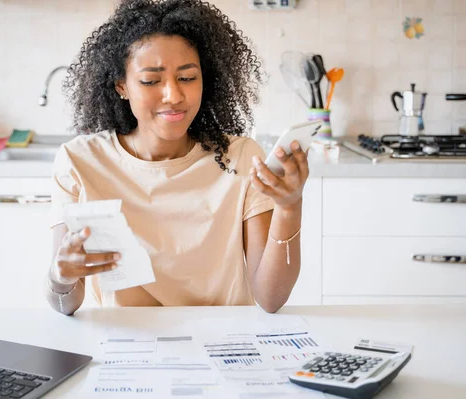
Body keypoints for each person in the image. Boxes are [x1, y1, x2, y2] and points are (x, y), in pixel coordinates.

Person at [46, 0, 309, 315]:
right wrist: (59, 278)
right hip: (129, 345)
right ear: (122, 86)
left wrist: (289, 208)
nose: (173, 95)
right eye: (151, 81)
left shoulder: (240, 158)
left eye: (187, 78)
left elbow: (270, 297)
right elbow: (65, 304)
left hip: (224, 343)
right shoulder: (80, 161)